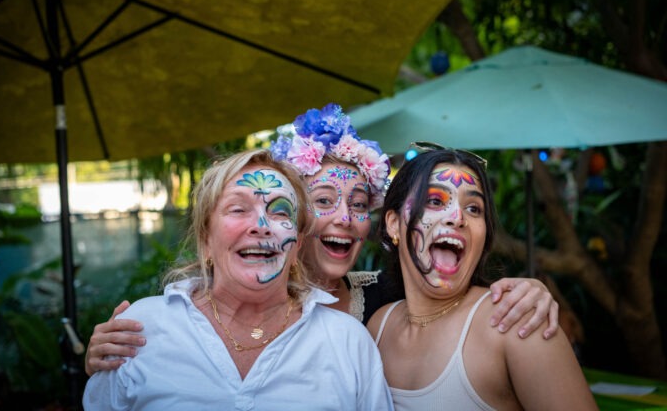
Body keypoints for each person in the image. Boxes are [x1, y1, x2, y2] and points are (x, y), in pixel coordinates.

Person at [85, 104, 559, 376]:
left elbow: (457, 309)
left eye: (358, 204)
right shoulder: (210, 309)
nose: (345, 219)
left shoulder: (390, 295)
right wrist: (107, 357)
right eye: (325, 200)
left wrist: (527, 290)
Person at [83, 149, 393, 410]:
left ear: (297, 243)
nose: (261, 225)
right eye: (238, 208)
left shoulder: (349, 341)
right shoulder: (139, 329)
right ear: (205, 238)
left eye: (280, 212)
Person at [367, 144, 597, 410]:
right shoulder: (377, 327)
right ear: (393, 223)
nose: (457, 217)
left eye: (474, 208)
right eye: (435, 201)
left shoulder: (516, 319)